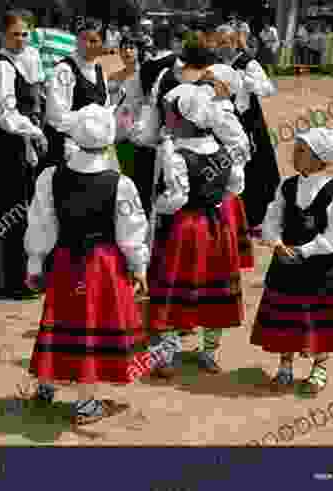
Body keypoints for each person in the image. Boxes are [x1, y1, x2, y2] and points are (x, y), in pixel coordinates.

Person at [23, 103, 149, 424]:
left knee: (61, 320)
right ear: (108, 141)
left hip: (65, 261)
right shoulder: (120, 184)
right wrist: (139, 266)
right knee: (91, 329)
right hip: (101, 266)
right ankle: (85, 403)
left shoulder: (51, 178)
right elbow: (131, 232)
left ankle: (46, 384)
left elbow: (41, 224)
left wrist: (35, 264)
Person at [137, 43, 251, 376]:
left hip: (181, 228)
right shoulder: (222, 151)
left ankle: (167, 356)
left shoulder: (175, 154)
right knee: (213, 290)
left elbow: (173, 198)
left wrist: (157, 206)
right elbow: (235, 186)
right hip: (215, 224)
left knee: (173, 289)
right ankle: (209, 352)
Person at [251, 128, 333, 394]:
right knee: (287, 317)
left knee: (318, 320)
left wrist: (304, 250)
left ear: (319, 159)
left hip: (320, 269)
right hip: (286, 264)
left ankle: (319, 368)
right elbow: (272, 217)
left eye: (300, 151)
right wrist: (275, 242)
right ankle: (285, 366)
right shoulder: (287, 186)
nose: (293, 155)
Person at [0, 9, 47, 300]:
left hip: (24, 145)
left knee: (26, 210)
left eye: (24, 34)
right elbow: (4, 115)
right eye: (14, 34)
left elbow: (34, 96)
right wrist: (33, 131)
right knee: (11, 212)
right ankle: (10, 279)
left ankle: (24, 275)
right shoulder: (1, 67)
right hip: (6, 147)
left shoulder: (29, 58)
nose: (20, 40)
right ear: (2, 34)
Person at [219, 23, 279, 238]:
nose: (222, 47)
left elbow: (269, 89)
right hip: (225, 123)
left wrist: (247, 81)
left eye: (226, 43)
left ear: (235, 43)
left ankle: (256, 218)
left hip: (249, 124)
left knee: (256, 168)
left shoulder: (248, 63)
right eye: (219, 43)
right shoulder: (216, 64)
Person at [43, 17, 110, 172]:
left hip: (93, 149)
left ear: (102, 44)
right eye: (83, 39)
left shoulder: (100, 70)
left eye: (93, 41)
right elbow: (56, 115)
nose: (86, 45)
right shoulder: (64, 70)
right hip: (65, 147)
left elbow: (104, 108)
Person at [109, 34, 139, 178]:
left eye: (132, 48)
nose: (128, 51)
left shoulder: (144, 73)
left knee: (129, 174)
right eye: (125, 48)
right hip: (113, 131)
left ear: (138, 50)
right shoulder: (112, 73)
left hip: (134, 132)